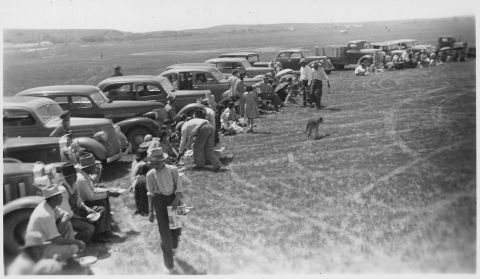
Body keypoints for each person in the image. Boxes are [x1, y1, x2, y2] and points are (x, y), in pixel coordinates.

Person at [146, 147, 185, 274]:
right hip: (160, 203)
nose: (155, 165)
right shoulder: (150, 174)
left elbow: (179, 187)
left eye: (157, 163)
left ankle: (174, 246)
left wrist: (176, 201)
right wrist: (151, 211)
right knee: (165, 235)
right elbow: (150, 194)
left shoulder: (173, 170)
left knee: (176, 230)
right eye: (152, 163)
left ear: (163, 160)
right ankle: (169, 266)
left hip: (174, 199)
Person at [24, 184, 85, 261]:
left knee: (67, 224)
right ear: (55, 198)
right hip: (38, 249)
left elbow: (66, 214)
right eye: (60, 195)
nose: (62, 197)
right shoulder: (46, 215)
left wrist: (61, 224)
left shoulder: (48, 205)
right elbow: (57, 240)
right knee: (74, 247)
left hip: (44, 241)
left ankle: (66, 258)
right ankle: (58, 264)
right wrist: (77, 242)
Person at [76, 153, 120, 239]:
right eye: (93, 166)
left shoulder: (85, 176)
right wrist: (108, 193)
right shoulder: (81, 179)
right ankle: (100, 235)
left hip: (86, 201)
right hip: (83, 205)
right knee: (101, 207)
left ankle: (106, 229)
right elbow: (90, 197)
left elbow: (93, 190)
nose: (95, 168)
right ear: (87, 167)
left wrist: (107, 191)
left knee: (104, 199)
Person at [57, 164, 96, 243]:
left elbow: (79, 202)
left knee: (99, 211)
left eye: (75, 175)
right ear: (66, 177)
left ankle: (96, 238)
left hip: (76, 212)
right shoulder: (62, 190)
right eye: (72, 176)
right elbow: (68, 213)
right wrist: (83, 219)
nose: (75, 178)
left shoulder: (75, 184)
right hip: (67, 219)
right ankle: (75, 243)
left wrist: (88, 209)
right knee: (90, 228)